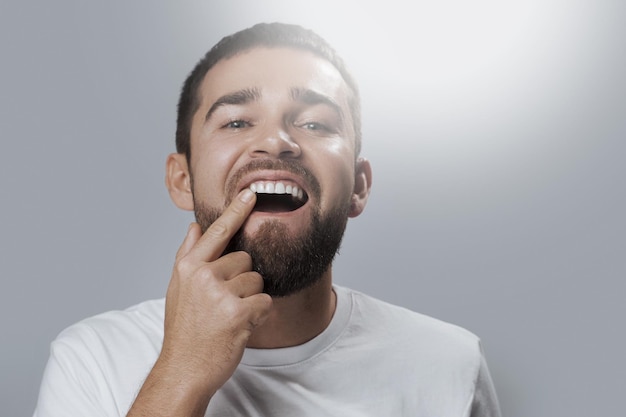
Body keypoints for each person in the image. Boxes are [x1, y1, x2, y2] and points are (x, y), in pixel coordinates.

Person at [33, 22, 501, 417]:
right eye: (237, 122)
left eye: (315, 123)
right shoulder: (90, 360)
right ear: (183, 180)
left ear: (359, 186)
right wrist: (182, 371)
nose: (276, 141)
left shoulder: (451, 364)